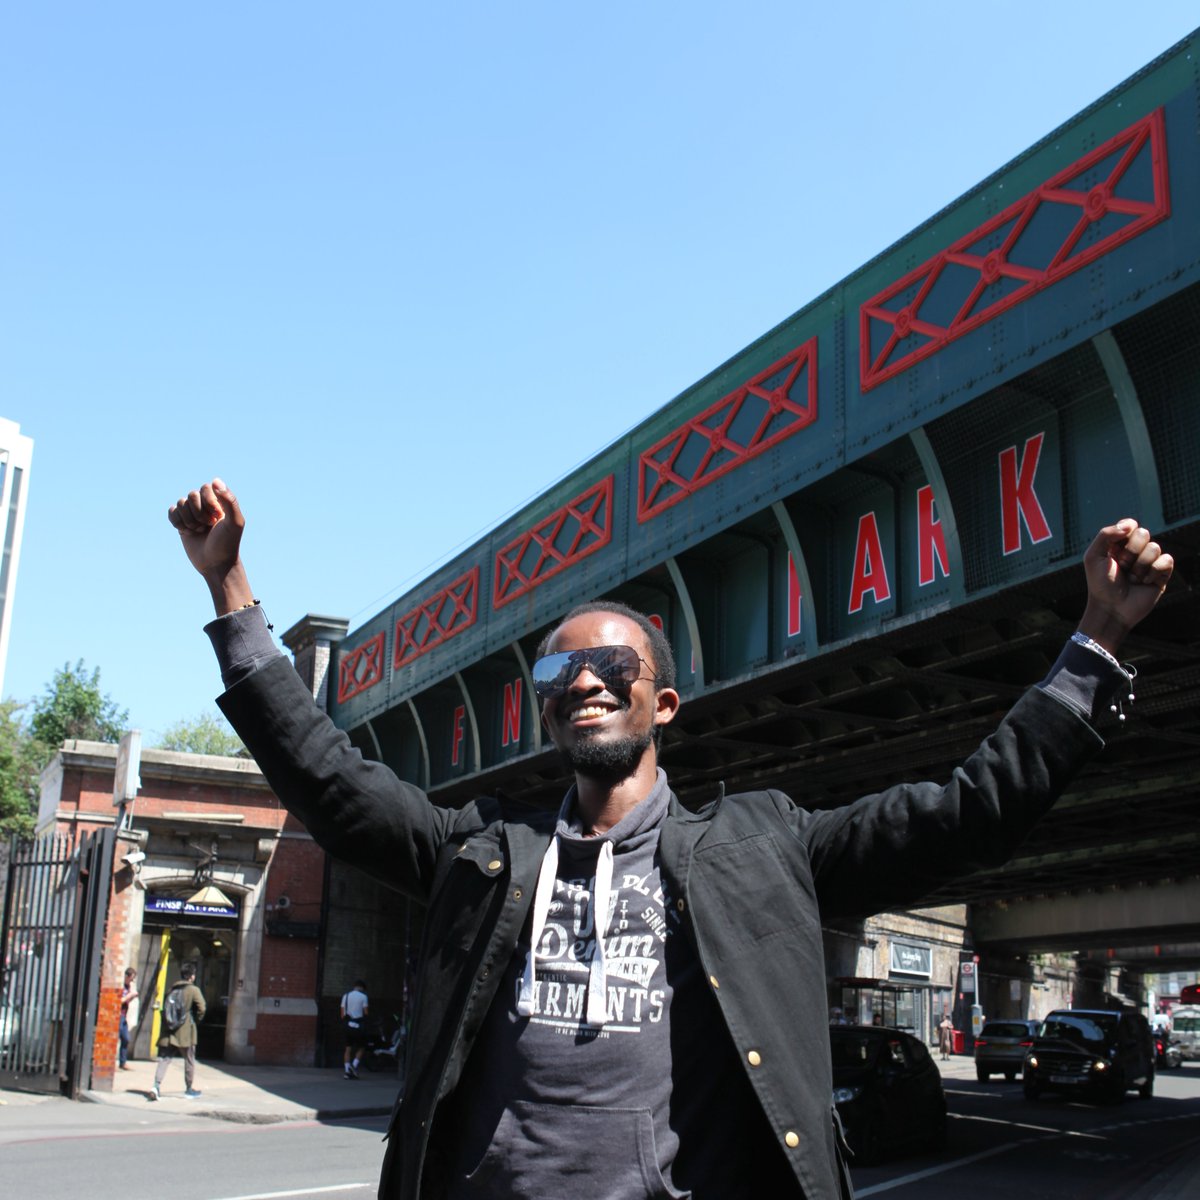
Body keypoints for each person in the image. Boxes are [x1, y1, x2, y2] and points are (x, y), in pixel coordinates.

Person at [168, 479, 1172, 1200]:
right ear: (550, 716)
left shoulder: (765, 846)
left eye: (613, 663)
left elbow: (972, 810)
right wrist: (232, 594)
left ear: (666, 701)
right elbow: (332, 784)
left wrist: (1096, 641)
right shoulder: (484, 853)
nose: (587, 682)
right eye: (561, 678)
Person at [152, 961, 206, 1100]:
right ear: (192, 976)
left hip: (170, 1031)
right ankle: (188, 1088)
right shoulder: (193, 990)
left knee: (165, 1059)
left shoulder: (172, 989)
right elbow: (202, 1008)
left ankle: (156, 1086)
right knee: (189, 1059)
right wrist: (196, 1021)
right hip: (185, 1031)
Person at [342, 979, 370, 1079]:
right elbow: (366, 1012)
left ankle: (346, 1071)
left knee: (347, 1048)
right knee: (362, 1047)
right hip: (358, 1026)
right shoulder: (364, 997)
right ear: (362, 988)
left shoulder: (346, 996)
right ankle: (353, 1066)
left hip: (347, 1025)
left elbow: (342, 1013)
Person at [118, 966, 139, 1069]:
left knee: (126, 1038)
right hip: (118, 1015)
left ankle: (123, 1062)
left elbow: (126, 1001)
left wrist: (132, 997)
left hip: (124, 1016)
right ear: (127, 976)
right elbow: (120, 1000)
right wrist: (130, 995)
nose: (132, 981)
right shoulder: (121, 986)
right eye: (131, 978)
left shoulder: (128, 987)